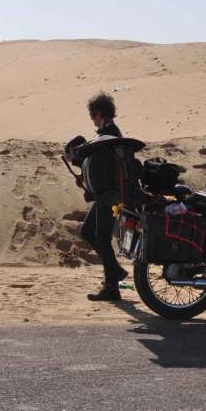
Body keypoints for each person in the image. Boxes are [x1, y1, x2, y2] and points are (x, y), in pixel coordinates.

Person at [77, 92, 128, 301]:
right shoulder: (105, 136)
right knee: (88, 233)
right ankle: (115, 271)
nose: (92, 119)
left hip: (110, 196)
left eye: (92, 115)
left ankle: (111, 286)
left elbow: (110, 169)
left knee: (102, 238)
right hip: (102, 196)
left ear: (99, 114)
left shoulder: (110, 137)